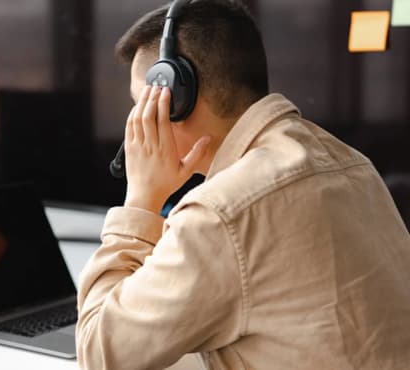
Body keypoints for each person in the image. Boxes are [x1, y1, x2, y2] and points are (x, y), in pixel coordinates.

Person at [75, 1, 410, 369]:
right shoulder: (350, 163)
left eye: (144, 105)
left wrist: (141, 200)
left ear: (176, 100)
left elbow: (98, 353)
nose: (136, 125)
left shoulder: (223, 213)